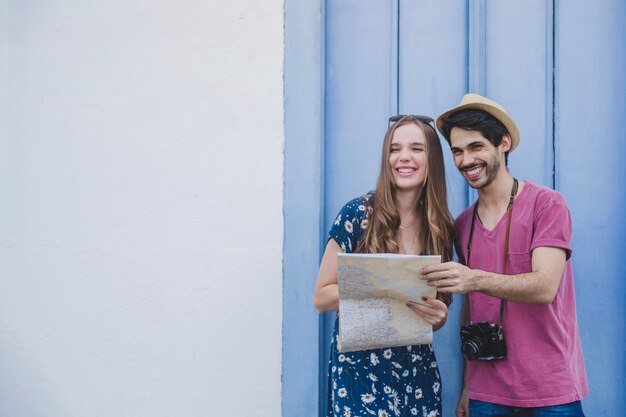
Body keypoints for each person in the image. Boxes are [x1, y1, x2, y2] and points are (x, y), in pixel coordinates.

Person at [422, 94, 588, 417]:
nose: (465, 160)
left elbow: (544, 287)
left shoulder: (548, 205)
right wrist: (468, 386)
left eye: (475, 147)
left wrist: (472, 279)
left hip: (550, 392)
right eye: (457, 151)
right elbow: (470, 309)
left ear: (504, 143)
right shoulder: (462, 225)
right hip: (487, 394)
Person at [313, 115, 455, 417]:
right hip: (359, 373)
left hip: (417, 373)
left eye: (417, 149)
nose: (404, 157)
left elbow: (438, 306)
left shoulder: (439, 227)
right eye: (395, 149)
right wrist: (380, 286)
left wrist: (440, 317)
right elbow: (321, 297)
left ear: (432, 161)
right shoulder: (357, 214)